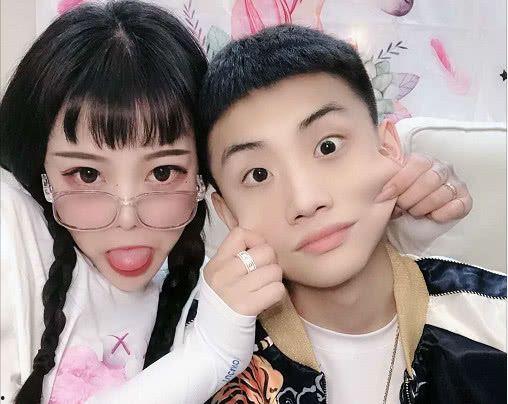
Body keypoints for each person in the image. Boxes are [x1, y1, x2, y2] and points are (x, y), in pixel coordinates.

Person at [196, 25, 507, 404]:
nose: (306, 201)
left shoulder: (492, 321)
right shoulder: (207, 352)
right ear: (227, 213)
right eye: (258, 175)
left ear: (387, 148)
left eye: (328, 147)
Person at [0, 2, 286, 403]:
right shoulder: (13, 233)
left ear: (202, 173)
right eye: (87, 174)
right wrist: (208, 355)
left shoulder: (214, 295)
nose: (127, 219)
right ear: (39, 170)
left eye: (163, 172)